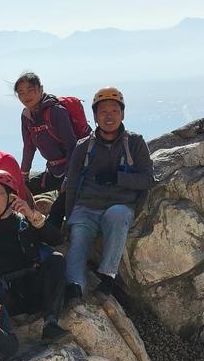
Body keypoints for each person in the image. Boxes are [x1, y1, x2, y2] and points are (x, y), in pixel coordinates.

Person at [64, 87, 154, 301]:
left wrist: (117, 178)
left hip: (120, 205)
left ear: (122, 114)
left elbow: (148, 179)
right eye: (103, 111)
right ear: (95, 116)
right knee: (79, 237)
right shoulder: (83, 147)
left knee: (118, 215)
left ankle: (107, 277)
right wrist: (70, 217)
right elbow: (72, 183)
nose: (109, 116)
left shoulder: (135, 142)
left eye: (114, 110)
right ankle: (75, 287)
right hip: (87, 206)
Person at [0, 170, 68, 341]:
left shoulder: (24, 223)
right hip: (3, 295)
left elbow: (56, 239)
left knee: (56, 259)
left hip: (30, 289)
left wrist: (33, 216)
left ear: (11, 198)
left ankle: (50, 324)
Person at [15, 72, 84, 202]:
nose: (26, 96)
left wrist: (69, 178)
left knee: (61, 211)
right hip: (54, 172)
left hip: (73, 171)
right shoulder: (27, 116)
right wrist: (22, 177)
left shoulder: (56, 111)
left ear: (41, 89)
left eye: (30, 90)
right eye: (21, 93)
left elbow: (72, 146)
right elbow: (29, 147)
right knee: (18, 192)